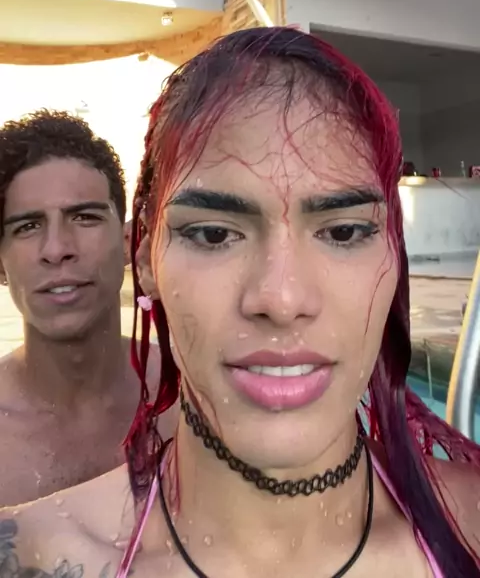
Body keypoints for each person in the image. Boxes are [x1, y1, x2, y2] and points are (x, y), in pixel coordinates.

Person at [0, 30, 479, 577]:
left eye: (344, 232)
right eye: (213, 235)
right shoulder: (28, 558)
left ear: (393, 254)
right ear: (147, 255)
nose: (282, 299)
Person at [0, 110, 176, 506]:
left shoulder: (194, 395)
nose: (57, 249)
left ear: (131, 242)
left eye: (84, 217)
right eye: (28, 226)